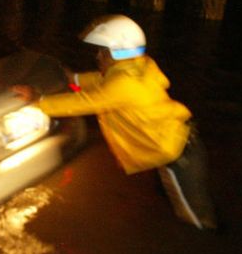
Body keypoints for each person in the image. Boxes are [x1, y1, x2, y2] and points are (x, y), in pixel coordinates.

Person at [12, 14, 219, 230]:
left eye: (103, 52)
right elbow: (105, 80)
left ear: (116, 53)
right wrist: (74, 79)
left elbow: (85, 102)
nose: (98, 56)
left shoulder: (124, 85)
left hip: (177, 157)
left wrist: (38, 100)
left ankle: (205, 249)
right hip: (181, 140)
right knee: (174, 199)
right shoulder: (140, 65)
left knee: (195, 219)